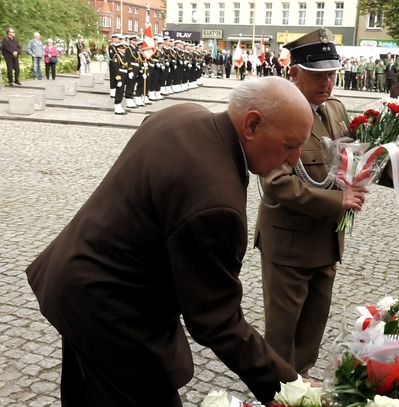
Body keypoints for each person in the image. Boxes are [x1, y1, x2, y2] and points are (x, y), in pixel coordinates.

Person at [24, 76, 313, 407]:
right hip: (109, 313)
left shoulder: (182, 114)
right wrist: (291, 390)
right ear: (252, 124)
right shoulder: (216, 202)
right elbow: (216, 319)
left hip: (77, 283)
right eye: (290, 145)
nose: (294, 159)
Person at [255, 28, 399, 378]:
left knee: (314, 321)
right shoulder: (277, 113)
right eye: (318, 74)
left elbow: (354, 159)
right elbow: (276, 183)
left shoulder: (334, 110)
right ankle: (274, 389)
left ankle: (299, 381)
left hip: (328, 239)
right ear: (295, 73)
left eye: (331, 73)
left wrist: (389, 166)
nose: (327, 82)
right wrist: (339, 200)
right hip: (289, 241)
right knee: (283, 328)